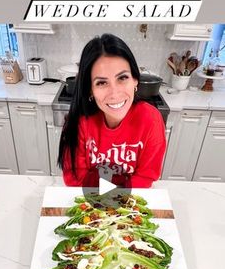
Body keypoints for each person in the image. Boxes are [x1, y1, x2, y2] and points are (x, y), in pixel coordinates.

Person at [58, 33, 166, 188]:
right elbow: (75, 178)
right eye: (101, 82)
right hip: (89, 203)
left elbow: (145, 176)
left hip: (130, 203)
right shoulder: (79, 121)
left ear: (135, 80)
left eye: (122, 78)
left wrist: (115, 203)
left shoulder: (151, 119)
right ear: (90, 90)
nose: (114, 93)